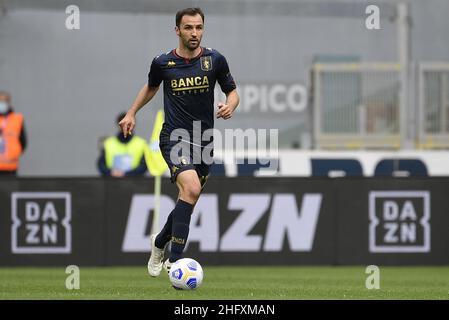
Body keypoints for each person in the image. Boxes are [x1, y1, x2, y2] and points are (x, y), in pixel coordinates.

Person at [119, 7, 239, 276]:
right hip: (174, 137)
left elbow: (232, 91)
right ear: (177, 30)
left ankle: (159, 241)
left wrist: (230, 106)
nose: (194, 33)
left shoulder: (215, 60)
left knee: (189, 196)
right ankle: (175, 262)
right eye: (188, 28)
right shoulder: (163, 63)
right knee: (192, 189)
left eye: (198, 27)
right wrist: (131, 112)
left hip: (204, 141)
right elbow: (150, 87)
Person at [97, 112, 148, 177]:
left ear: (134, 124)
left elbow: (144, 166)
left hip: (135, 184)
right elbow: (101, 164)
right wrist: (110, 172)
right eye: (123, 124)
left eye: (129, 124)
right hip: (112, 183)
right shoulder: (108, 143)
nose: (126, 127)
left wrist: (126, 174)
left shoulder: (141, 144)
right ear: (118, 124)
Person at [0, 91, 27, 176]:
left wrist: (15, 153)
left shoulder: (17, 119)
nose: (2, 104)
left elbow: (23, 141)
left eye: (5, 101)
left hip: (11, 167)